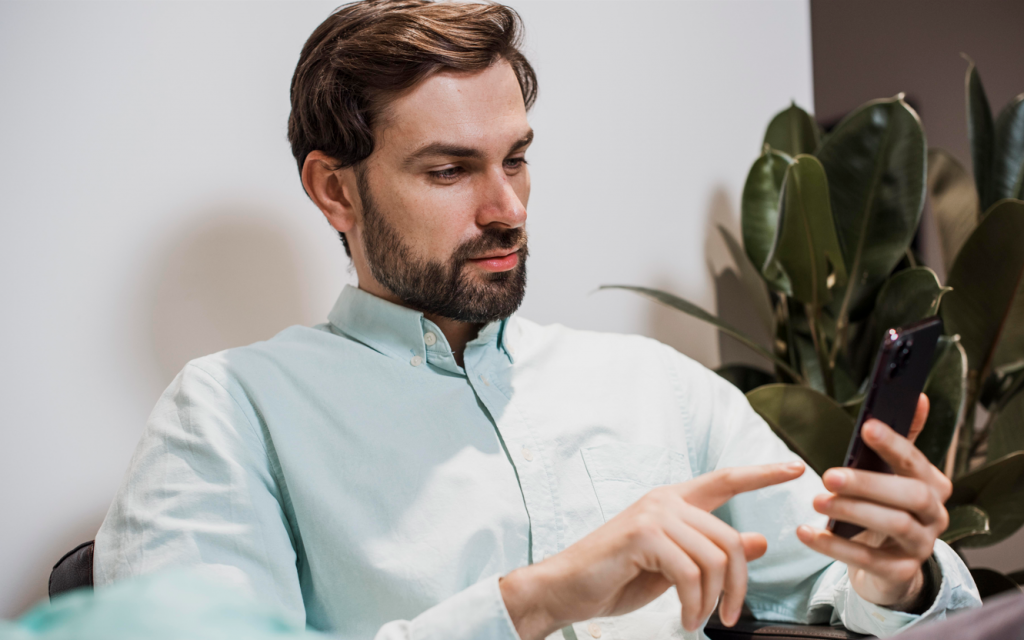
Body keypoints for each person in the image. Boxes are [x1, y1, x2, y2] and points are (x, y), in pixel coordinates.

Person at [93, 1, 981, 639]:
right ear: (335, 190)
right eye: (450, 171)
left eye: (516, 159)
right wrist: (533, 602)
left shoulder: (655, 388)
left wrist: (894, 575)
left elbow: (844, 587)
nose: (507, 206)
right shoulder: (229, 412)